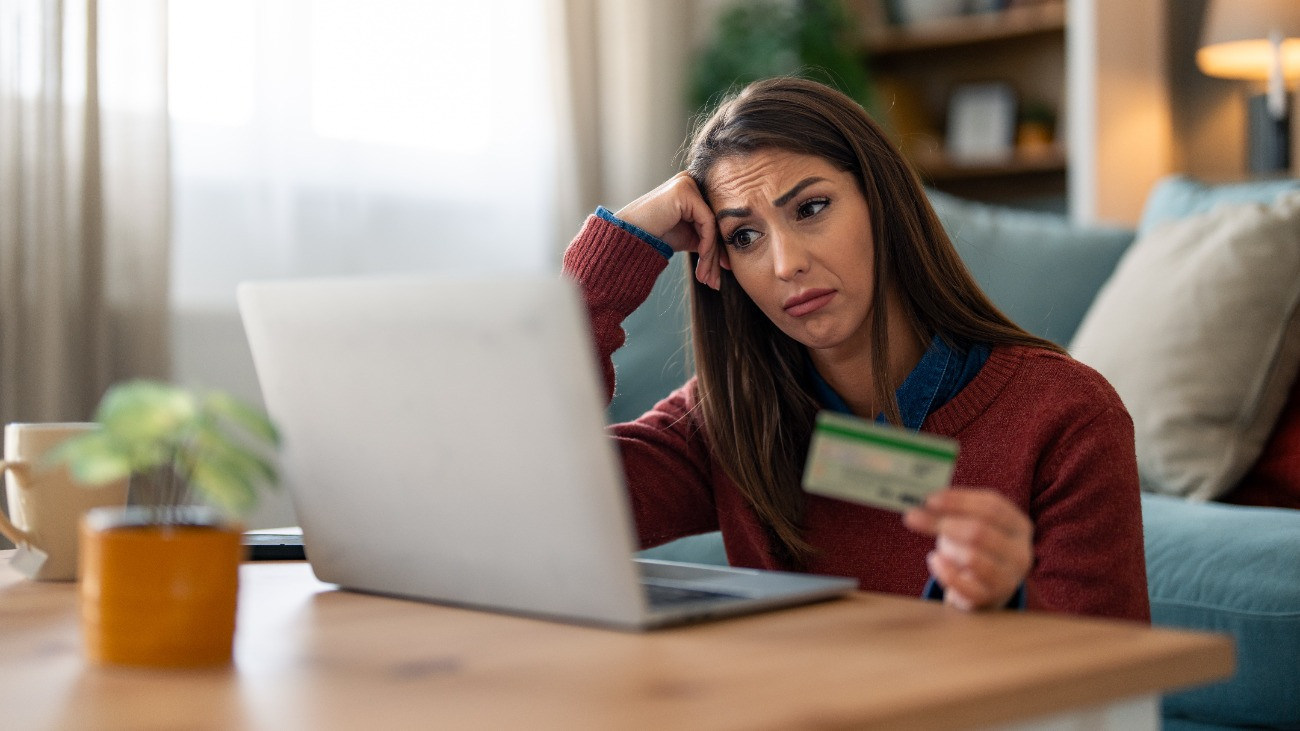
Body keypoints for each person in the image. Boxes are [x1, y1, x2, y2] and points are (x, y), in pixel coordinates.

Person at [561, 77, 1149, 620]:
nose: (786, 263)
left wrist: (1007, 607)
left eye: (811, 208)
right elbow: (536, 505)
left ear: (882, 203)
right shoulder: (735, 417)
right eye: (744, 236)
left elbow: (1115, 689)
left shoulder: (1066, 414)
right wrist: (620, 246)